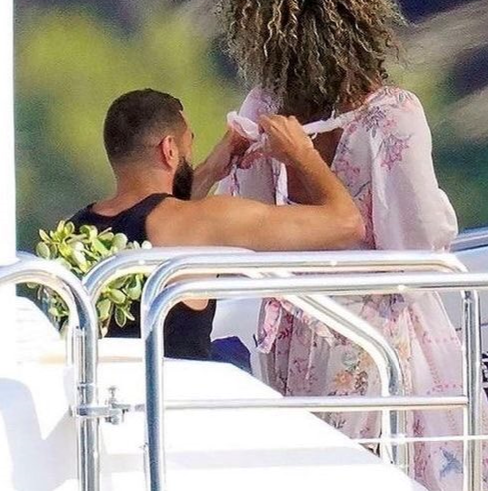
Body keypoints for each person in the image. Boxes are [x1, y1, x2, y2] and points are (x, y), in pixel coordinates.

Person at [215, 0, 488, 491]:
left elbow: (251, 225)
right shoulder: (388, 115)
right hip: (371, 325)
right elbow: (418, 241)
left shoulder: (275, 108)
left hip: (300, 326)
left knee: (322, 486)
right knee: (384, 484)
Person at [69, 87, 364, 360]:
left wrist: (210, 170)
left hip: (101, 391)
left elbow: (156, 211)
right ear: (169, 149)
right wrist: (302, 153)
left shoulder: (74, 232)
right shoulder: (204, 220)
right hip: (176, 394)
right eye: (189, 143)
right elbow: (347, 224)